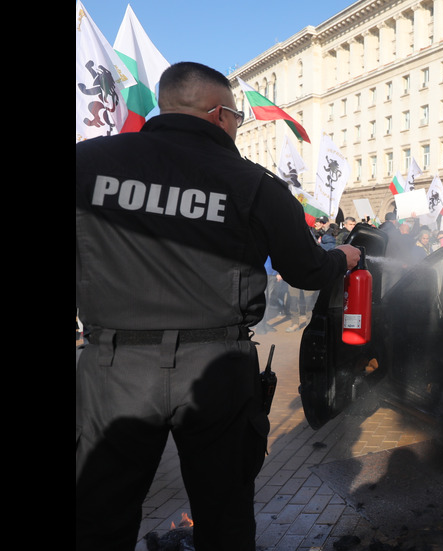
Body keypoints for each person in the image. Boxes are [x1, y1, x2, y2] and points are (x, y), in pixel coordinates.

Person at [75, 61, 360, 551]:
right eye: (236, 117)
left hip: (113, 367)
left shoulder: (87, 163)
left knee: (99, 515)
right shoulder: (252, 182)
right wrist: (342, 256)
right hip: (216, 370)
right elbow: (306, 270)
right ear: (218, 114)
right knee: (224, 515)